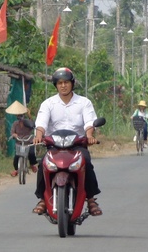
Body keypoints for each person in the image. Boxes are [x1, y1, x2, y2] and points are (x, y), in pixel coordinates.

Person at [32, 67, 102, 216]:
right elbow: (41, 124)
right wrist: (39, 136)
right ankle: (43, 198)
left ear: (72, 83)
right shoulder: (48, 104)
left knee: (86, 163)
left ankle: (90, 199)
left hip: (77, 145)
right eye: (60, 83)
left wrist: (89, 135)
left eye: (66, 82)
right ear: (56, 85)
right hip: (54, 146)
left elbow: (89, 122)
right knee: (43, 164)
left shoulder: (84, 102)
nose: (63, 86)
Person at [8, 107, 38, 177]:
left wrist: (29, 115)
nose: (20, 117)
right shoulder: (15, 124)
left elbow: (33, 125)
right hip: (19, 142)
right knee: (16, 157)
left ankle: (32, 165)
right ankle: (16, 170)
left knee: (31, 154)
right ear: (17, 116)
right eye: (18, 115)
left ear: (24, 116)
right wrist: (14, 135)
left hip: (28, 142)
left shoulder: (27, 123)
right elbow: (12, 132)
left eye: (21, 115)